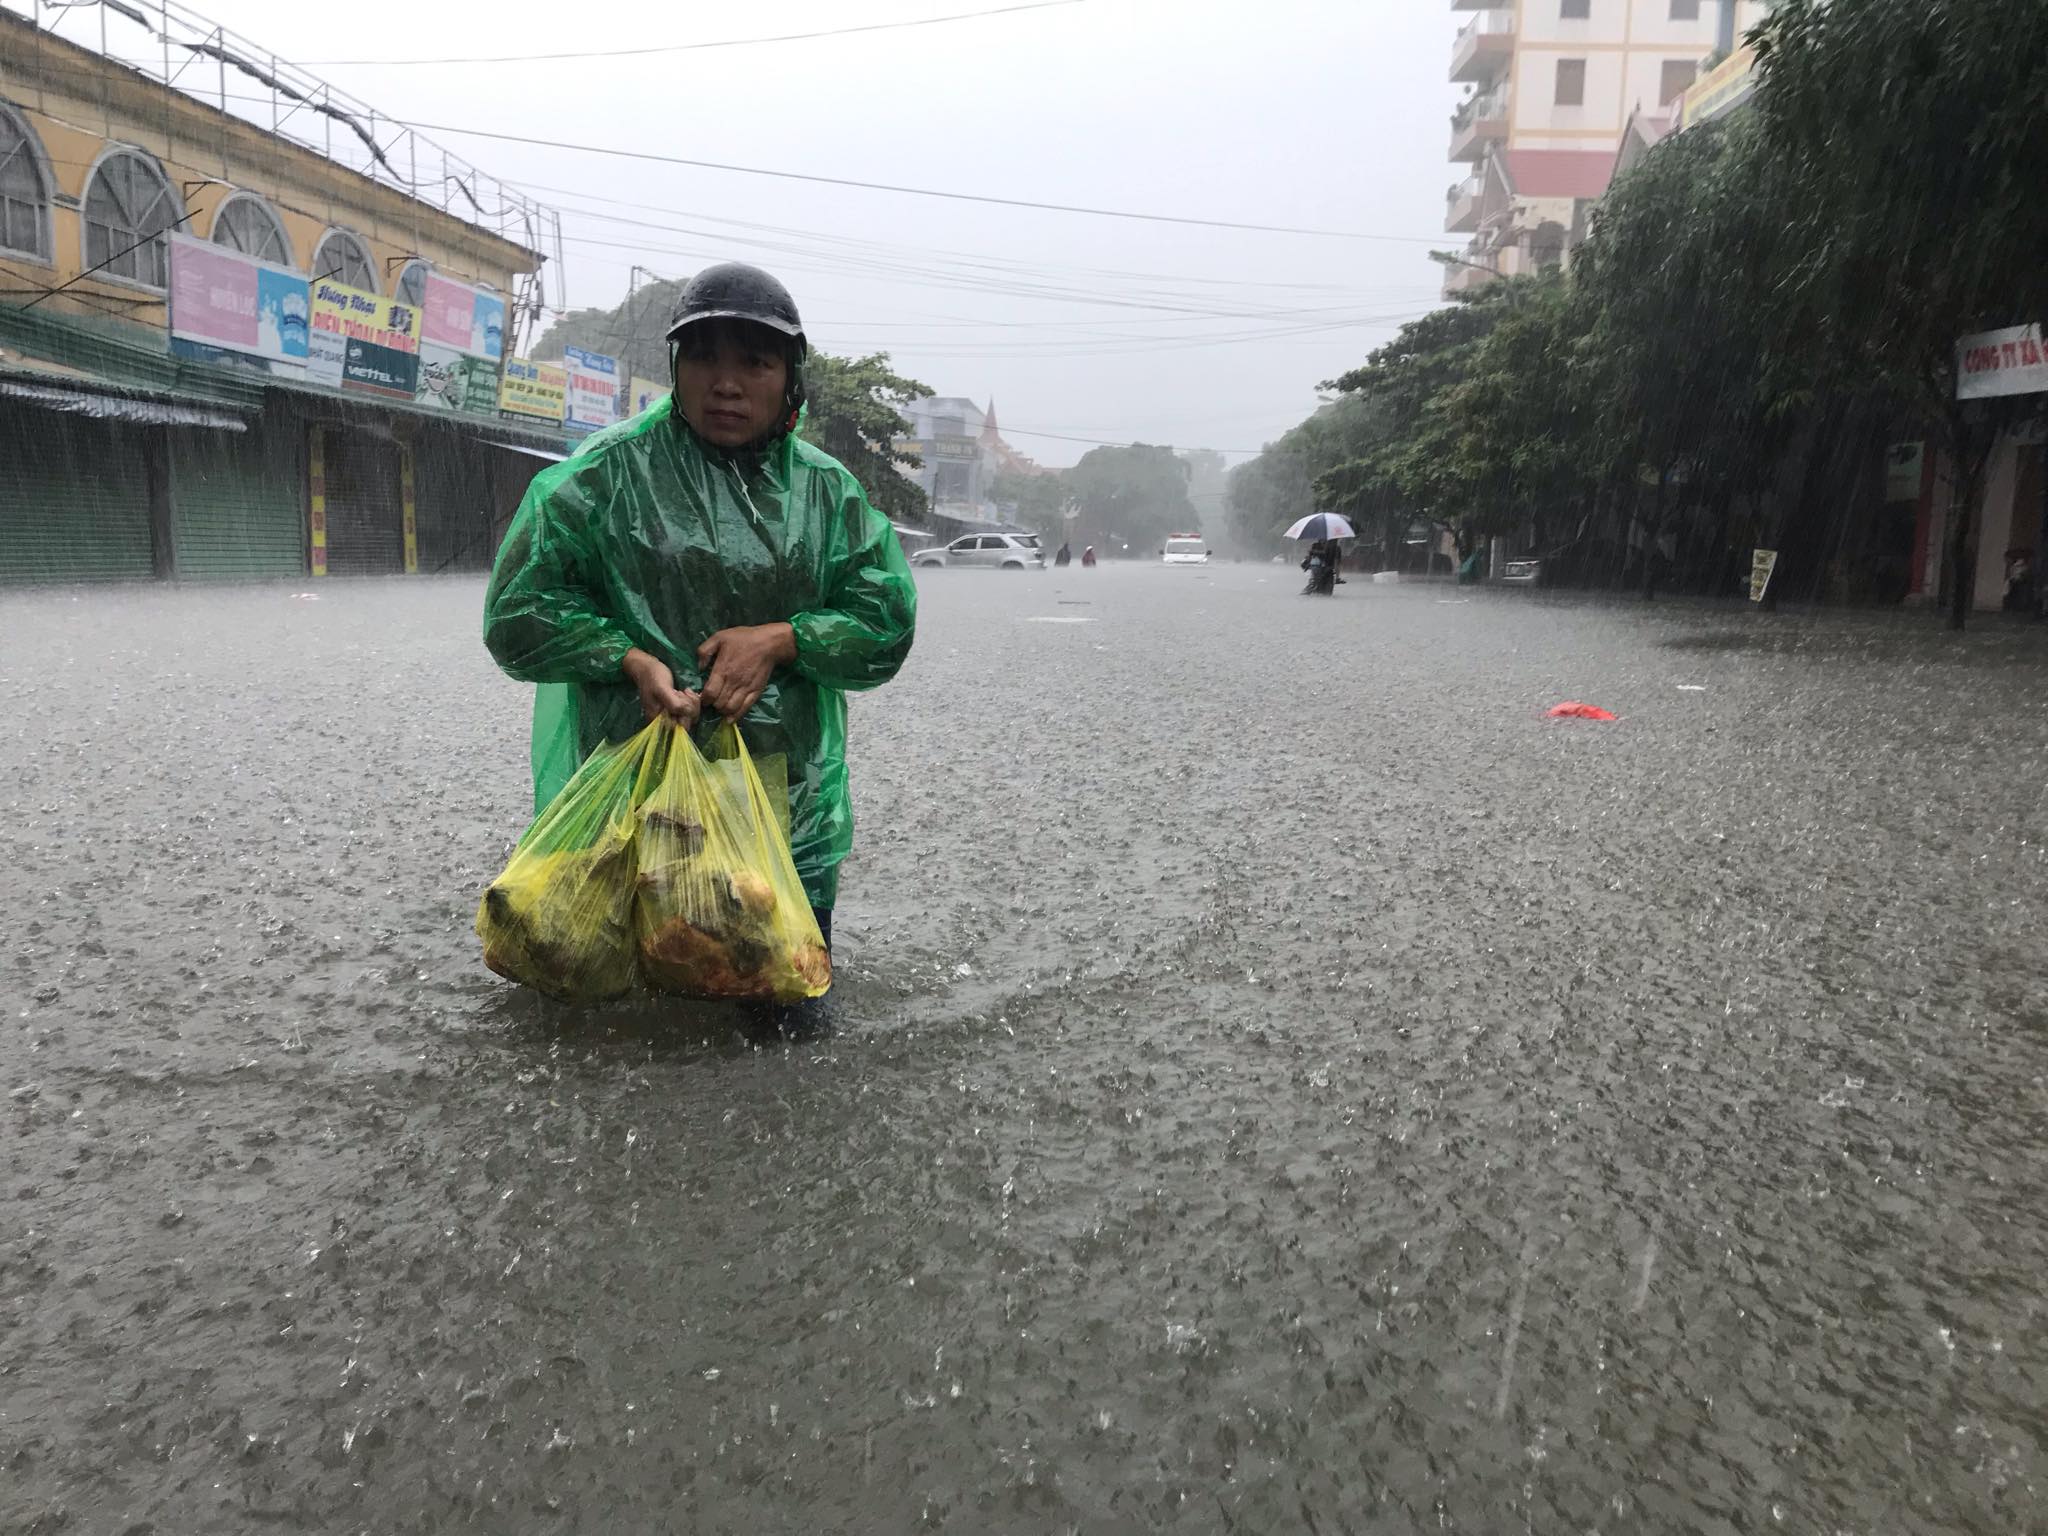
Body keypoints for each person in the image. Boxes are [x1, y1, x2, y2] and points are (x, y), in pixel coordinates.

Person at [483, 262, 917, 1036]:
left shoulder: (826, 494)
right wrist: (627, 657)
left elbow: (884, 621)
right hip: (632, 792)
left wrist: (785, 639)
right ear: (675, 367)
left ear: (789, 380)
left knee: (783, 1018)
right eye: (706, 357)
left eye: (756, 362)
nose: (728, 383)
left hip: (786, 805)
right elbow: (517, 611)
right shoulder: (601, 478)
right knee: (601, 1019)